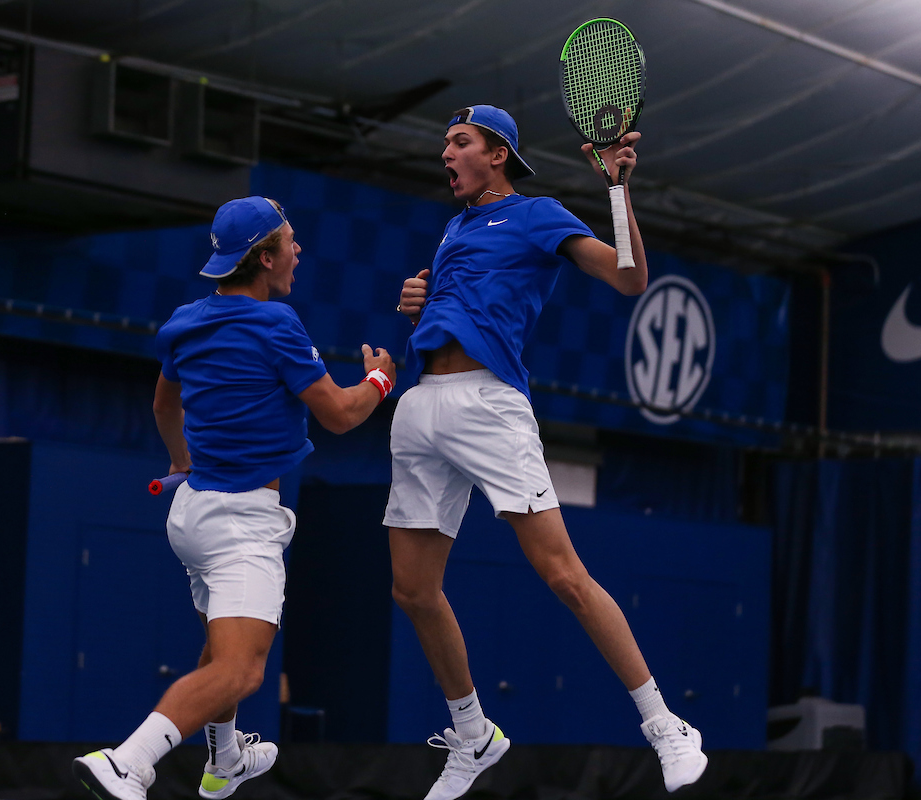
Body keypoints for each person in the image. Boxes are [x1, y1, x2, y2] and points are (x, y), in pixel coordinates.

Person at [386, 105, 707, 800]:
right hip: (420, 405)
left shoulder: (536, 214)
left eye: (460, 142)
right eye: (446, 143)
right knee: (412, 589)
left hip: (488, 406)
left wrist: (617, 188)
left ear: (497, 153)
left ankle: (666, 726)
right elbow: (473, 301)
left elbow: (629, 278)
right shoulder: (455, 227)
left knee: (563, 574)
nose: (446, 153)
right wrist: (423, 301)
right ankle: (474, 735)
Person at [72, 196, 397, 800]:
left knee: (223, 649)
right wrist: (379, 380)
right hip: (241, 523)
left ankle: (225, 758)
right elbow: (340, 415)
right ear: (265, 258)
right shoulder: (277, 324)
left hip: (191, 517)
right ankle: (128, 763)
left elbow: (164, 406)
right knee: (242, 669)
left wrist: (180, 461)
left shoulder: (184, 321)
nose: (299, 251)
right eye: (291, 242)